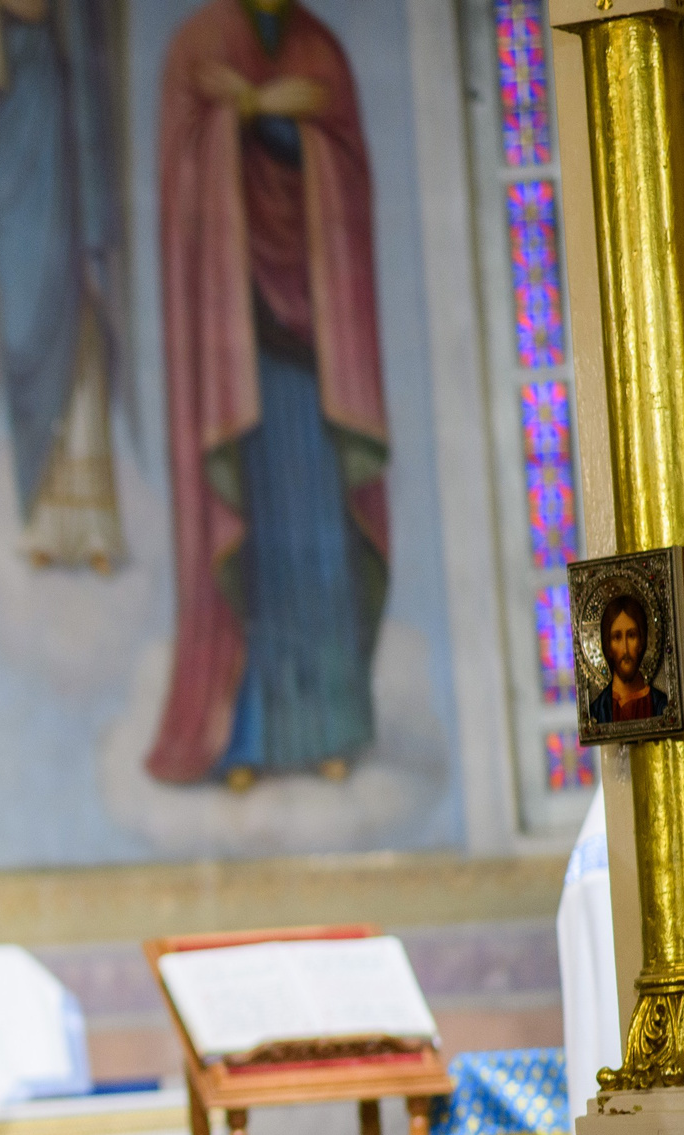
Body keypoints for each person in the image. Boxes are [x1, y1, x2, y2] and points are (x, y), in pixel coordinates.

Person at [148, 0, 389, 788]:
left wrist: (281, 120)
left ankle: (331, 724)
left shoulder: (319, 50)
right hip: (237, 353)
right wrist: (242, 117)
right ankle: (244, 733)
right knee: (253, 538)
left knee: (318, 534)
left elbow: (344, 172)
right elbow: (185, 175)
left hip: (314, 356)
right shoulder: (199, 45)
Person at [0, 0, 125, 569]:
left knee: (77, 335)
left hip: (59, 177)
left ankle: (92, 525)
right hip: (20, 176)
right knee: (25, 332)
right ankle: (41, 519)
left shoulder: (63, 68)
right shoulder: (14, 62)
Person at [588, 592, 672, 725]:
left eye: (632, 635)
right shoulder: (596, 712)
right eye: (617, 637)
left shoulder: (662, 707)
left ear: (642, 642)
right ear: (608, 646)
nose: (625, 650)